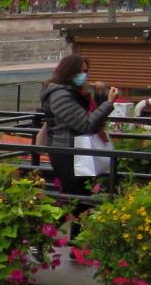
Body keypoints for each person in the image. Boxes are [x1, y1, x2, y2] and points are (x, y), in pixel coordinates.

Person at [41, 55, 118, 204]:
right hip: (67, 153)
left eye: (86, 71)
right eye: (80, 71)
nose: (84, 75)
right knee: (77, 198)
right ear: (68, 72)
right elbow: (86, 125)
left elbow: (93, 118)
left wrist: (100, 97)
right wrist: (108, 103)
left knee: (83, 196)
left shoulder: (75, 93)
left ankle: (73, 225)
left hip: (78, 151)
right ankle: (59, 225)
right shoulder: (60, 95)